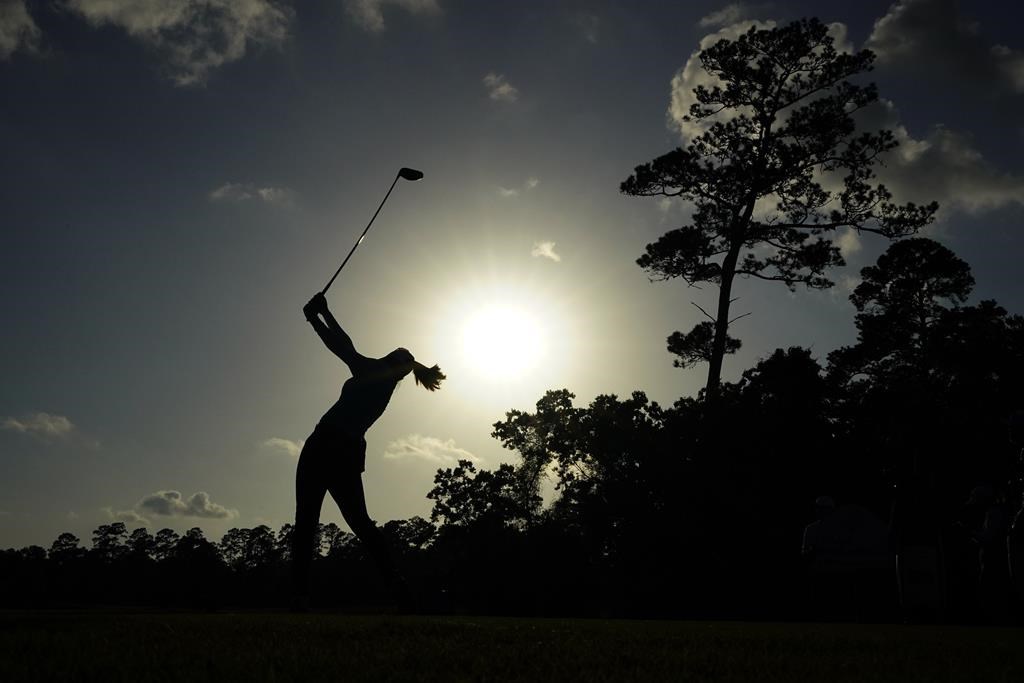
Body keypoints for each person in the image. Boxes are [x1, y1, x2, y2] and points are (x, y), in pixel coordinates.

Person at [292, 292, 445, 611]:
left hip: (331, 449)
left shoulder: (378, 375)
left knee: (328, 521)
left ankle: (391, 587)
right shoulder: (378, 372)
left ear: (400, 367)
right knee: (336, 521)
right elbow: (348, 348)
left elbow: (344, 349)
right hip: (329, 447)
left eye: (399, 354)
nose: (395, 352)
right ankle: (305, 595)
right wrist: (322, 315)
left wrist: (317, 317)